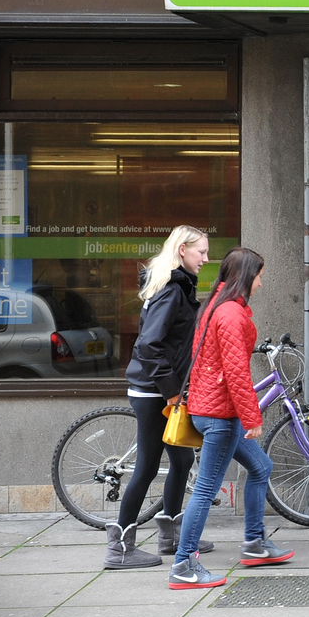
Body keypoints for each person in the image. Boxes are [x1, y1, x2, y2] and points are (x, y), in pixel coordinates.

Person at [168, 246, 293, 590]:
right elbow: (236, 372)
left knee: (261, 467)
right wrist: (252, 418)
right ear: (246, 276)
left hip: (210, 409)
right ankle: (183, 564)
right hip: (220, 416)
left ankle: (254, 544)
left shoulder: (215, 307)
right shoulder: (231, 316)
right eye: (260, 276)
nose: (262, 283)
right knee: (206, 489)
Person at [105, 225, 213, 569]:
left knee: (181, 461)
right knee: (148, 466)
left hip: (160, 389)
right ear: (182, 249)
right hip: (153, 392)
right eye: (201, 253)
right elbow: (149, 345)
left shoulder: (175, 284)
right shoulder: (171, 288)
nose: (206, 259)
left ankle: (171, 534)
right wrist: (170, 392)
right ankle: (119, 547)